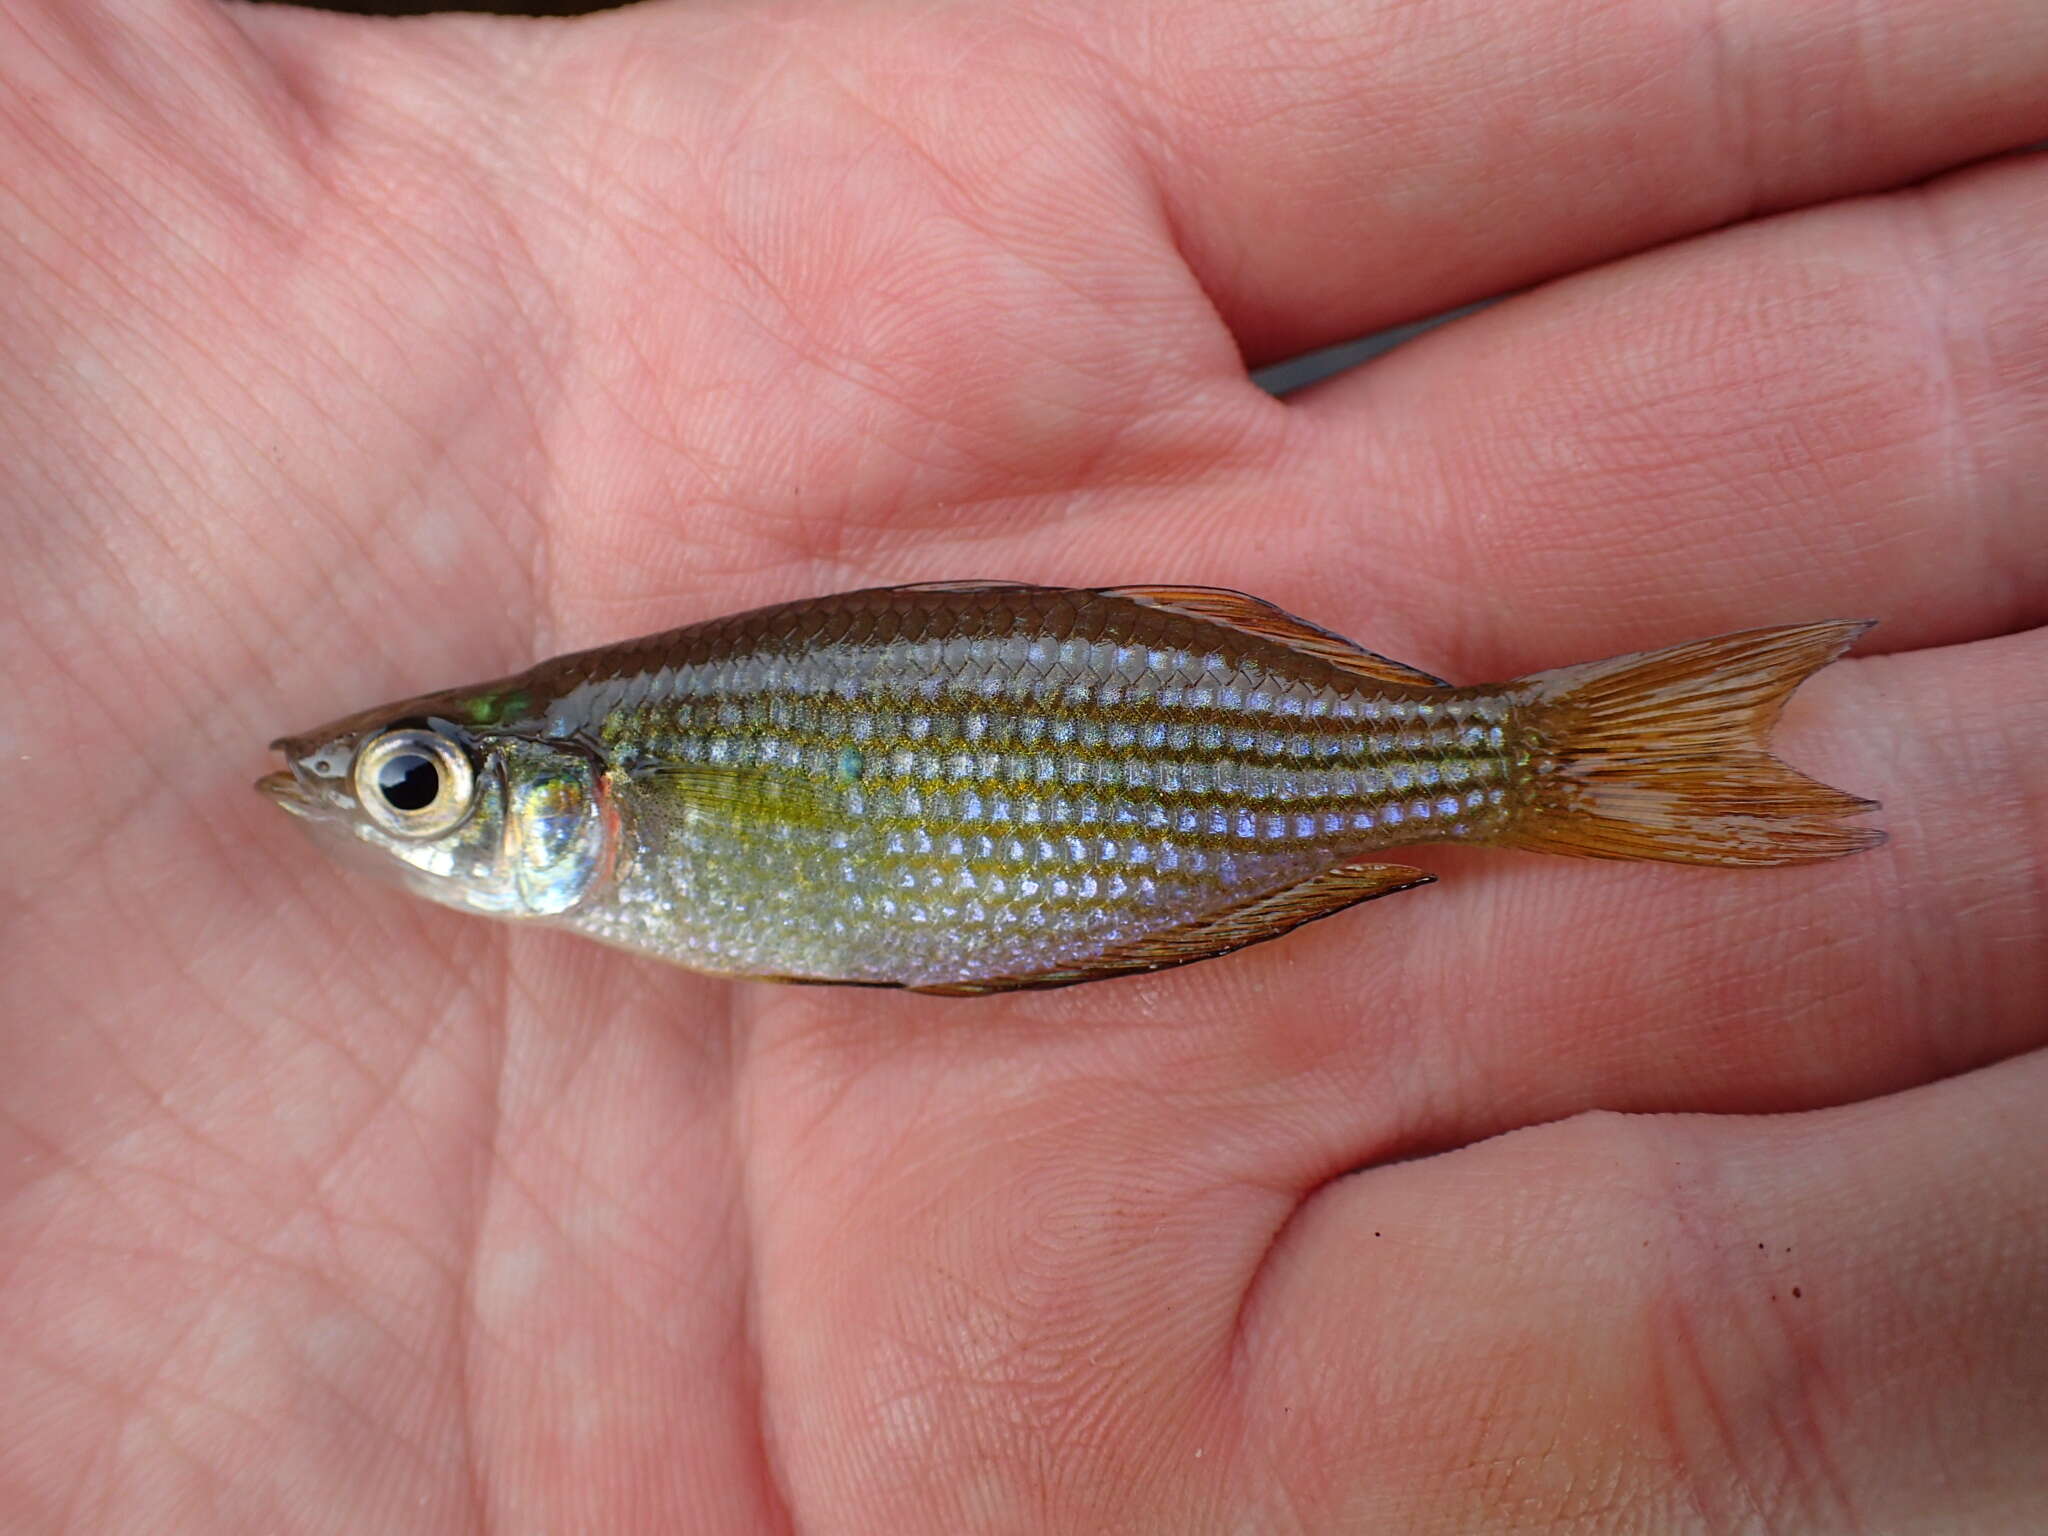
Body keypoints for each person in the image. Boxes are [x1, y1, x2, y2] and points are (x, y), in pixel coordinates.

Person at [3, 0, 2043, 1528]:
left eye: (421, 787)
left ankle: (1557, 771)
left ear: (567, 788)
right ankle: (1570, 771)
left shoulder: (647, 806)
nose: (386, 809)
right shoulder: (641, 803)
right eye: (409, 787)